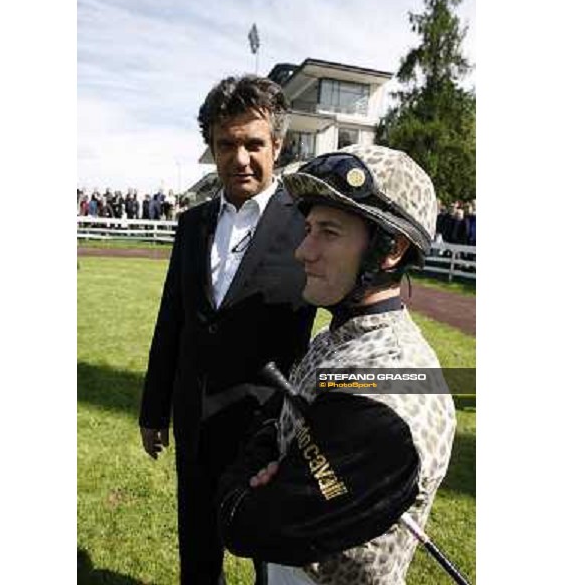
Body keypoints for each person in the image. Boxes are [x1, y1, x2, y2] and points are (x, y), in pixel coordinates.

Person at [218, 145, 457, 584]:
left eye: (328, 232)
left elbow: (246, 524)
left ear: (391, 248)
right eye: (308, 228)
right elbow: (276, 427)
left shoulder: (396, 387)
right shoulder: (336, 339)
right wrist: (272, 453)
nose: (302, 251)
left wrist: (249, 479)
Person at [138, 74, 316, 585]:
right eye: (226, 144)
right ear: (212, 148)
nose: (240, 158)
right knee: (198, 553)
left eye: (253, 143)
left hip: (267, 433)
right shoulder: (191, 225)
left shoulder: (307, 225)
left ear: (277, 145)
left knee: (270, 562)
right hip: (195, 423)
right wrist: (155, 409)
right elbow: (172, 320)